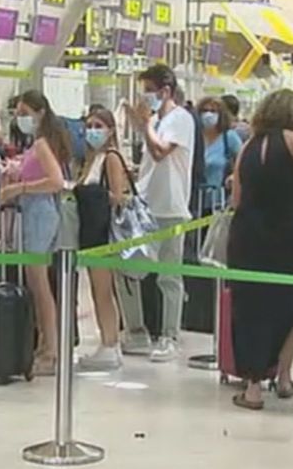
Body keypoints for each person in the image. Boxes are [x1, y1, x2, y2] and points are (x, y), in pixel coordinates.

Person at [226, 90, 293, 410]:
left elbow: (236, 198)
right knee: (290, 305)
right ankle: (284, 377)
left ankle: (253, 387)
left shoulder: (249, 146)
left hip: (248, 235)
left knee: (250, 308)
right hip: (289, 234)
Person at [120, 64, 197, 362]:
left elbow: (160, 152)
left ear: (165, 91)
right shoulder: (159, 121)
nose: (146, 97)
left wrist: (145, 125)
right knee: (128, 268)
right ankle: (137, 330)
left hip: (172, 209)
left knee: (169, 276)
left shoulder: (180, 120)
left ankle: (170, 335)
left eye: (150, 91)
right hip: (145, 207)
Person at [0, 90, 70, 376]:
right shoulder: (39, 143)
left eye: (25, 113)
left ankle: (51, 350)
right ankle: (44, 344)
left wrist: (21, 188)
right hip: (34, 211)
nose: (20, 119)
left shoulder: (41, 144)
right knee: (37, 283)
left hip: (40, 212)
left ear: (40, 113)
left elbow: (55, 181)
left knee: (41, 287)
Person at [74, 108, 130, 372]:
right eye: (89, 125)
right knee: (97, 291)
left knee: (104, 290)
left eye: (98, 125)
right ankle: (106, 342)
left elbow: (118, 196)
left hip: (103, 233)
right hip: (89, 233)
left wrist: (97, 198)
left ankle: (110, 343)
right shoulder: (90, 159)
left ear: (109, 129)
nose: (92, 130)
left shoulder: (110, 159)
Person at [198, 96, 242, 213]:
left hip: (219, 201)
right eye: (204, 111)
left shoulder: (229, 137)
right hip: (193, 201)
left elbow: (244, 161)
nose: (208, 115)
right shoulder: (194, 137)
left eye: (213, 111)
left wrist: (234, 176)